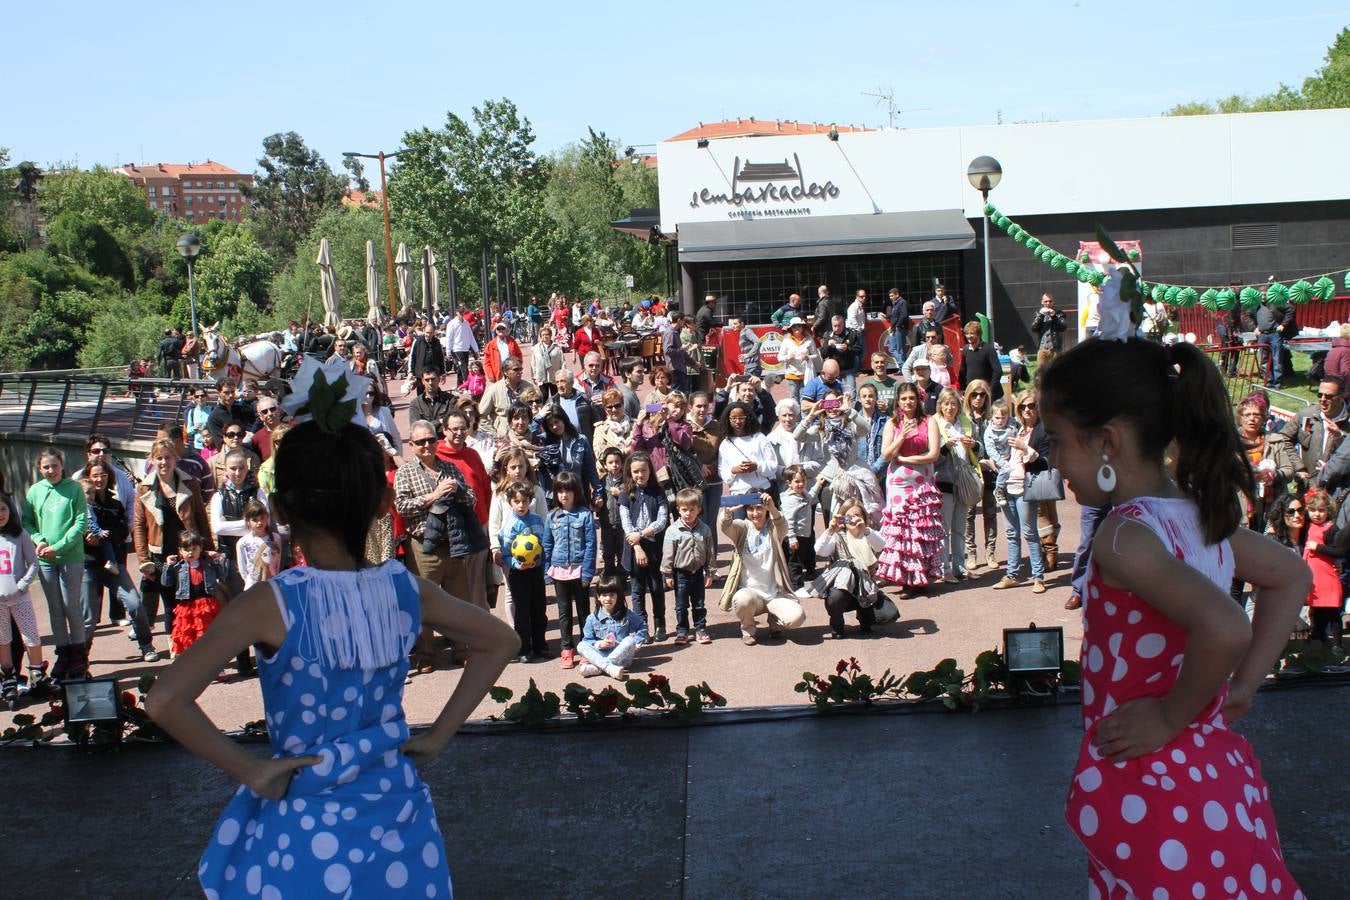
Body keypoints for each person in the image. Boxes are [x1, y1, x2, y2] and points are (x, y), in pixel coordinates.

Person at [147, 410, 518, 899]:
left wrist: (253, 771)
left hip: (305, 822)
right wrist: (438, 735)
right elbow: (501, 641)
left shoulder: (271, 602)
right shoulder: (406, 590)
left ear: (279, 508)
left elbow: (164, 699)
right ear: (384, 503)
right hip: (397, 815)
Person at [1043, 338, 1306, 900]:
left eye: (1059, 443)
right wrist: (1239, 691)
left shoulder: (1124, 536)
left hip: (1154, 782)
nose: (1057, 462)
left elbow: (1227, 626)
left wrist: (1168, 716)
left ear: (1106, 441)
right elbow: (1290, 576)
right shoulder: (1195, 517)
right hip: (1209, 773)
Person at [395, 419, 488, 674]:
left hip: (454, 543)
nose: (427, 445)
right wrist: (433, 496)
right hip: (423, 546)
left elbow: (471, 497)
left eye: (430, 440)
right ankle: (426, 654)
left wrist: (457, 490)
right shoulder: (406, 472)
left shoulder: (450, 467)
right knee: (423, 602)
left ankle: (461, 649)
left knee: (459, 601)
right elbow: (402, 507)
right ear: (411, 446)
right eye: (421, 442)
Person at [81, 460, 159, 661]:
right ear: (87, 478)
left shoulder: (115, 504)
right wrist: (86, 538)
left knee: (134, 604)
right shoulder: (79, 506)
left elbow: (124, 531)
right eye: (95, 475)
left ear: (109, 478)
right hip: (88, 565)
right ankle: (81, 658)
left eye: (103, 475)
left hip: (114, 564)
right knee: (88, 618)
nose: (99, 479)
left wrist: (104, 537)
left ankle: (146, 645)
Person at [23, 449, 90, 680]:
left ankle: (79, 655)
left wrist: (59, 546)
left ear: (62, 465)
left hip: (70, 557)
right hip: (45, 559)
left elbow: (80, 521)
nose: (51, 471)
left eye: (54, 466)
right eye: (46, 467)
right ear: (40, 469)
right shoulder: (35, 491)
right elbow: (28, 521)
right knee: (55, 609)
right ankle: (63, 653)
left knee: (71, 605)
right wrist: (39, 541)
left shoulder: (74, 488)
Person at [875, 382, 945, 595]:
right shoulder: (892, 423)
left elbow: (933, 454)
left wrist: (906, 458)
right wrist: (902, 437)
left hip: (922, 483)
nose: (908, 402)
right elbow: (887, 455)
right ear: (898, 401)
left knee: (920, 529)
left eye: (912, 398)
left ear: (918, 400)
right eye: (904, 398)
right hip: (898, 486)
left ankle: (921, 576)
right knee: (902, 531)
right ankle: (905, 578)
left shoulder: (929, 421)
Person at [718, 492, 805, 645]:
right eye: (750, 509)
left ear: (765, 509)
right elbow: (726, 527)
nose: (755, 513)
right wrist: (726, 513)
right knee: (742, 600)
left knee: (796, 618)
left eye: (759, 508)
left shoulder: (773, 528)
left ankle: (774, 622)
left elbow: (782, 526)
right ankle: (748, 629)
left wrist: (772, 508)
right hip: (751, 593)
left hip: (775, 593)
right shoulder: (742, 527)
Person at [992, 389, 1051, 593]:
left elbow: (1046, 461)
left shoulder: (1043, 431)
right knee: (1011, 533)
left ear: (1038, 408)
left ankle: (1038, 577)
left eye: (1031, 406)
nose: (1027, 410)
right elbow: (1008, 457)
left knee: (1029, 532)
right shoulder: (1017, 428)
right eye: (1023, 406)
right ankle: (1013, 574)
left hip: (1026, 487)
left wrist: (1025, 449)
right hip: (1007, 486)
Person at [543, 470, 597, 667]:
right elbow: (547, 544)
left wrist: (588, 572)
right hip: (559, 571)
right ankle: (567, 648)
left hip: (579, 569)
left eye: (568, 491)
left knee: (584, 611)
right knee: (564, 613)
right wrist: (547, 570)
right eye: (560, 491)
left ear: (576, 492)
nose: (564, 495)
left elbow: (591, 544)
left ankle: (586, 647)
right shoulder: (552, 516)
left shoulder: (585, 515)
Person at [812, 497, 886, 639]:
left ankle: (866, 617)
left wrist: (866, 530)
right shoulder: (837, 536)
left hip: (865, 586)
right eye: (849, 516)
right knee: (835, 598)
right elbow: (820, 551)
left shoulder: (868, 534)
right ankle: (837, 624)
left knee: (886, 616)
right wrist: (829, 531)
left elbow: (881, 545)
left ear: (864, 517)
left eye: (857, 515)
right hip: (842, 586)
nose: (853, 519)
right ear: (842, 518)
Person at [495, 480, 549, 663]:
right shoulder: (510, 526)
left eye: (524, 501)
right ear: (510, 502)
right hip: (518, 574)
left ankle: (540, 645)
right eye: (517, 501)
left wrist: (541, 561)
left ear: (530, 501)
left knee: (539, 608)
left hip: (536, 571)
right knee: (522, 611)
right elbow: (505, 555)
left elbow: (543, 544)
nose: (521, 505)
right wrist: (517, 565)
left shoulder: (536, 520)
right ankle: (524, 648)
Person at [0, 493, 47, 703]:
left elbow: (34, 563)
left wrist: (22, 585)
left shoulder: (20, 535)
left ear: (10, 510)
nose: (0, 514)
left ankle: (38, 674)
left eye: (3, 509)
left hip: (20, 597)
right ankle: (8, 676)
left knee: (30, 635)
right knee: (3, 639)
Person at [619, 451, 669, 642]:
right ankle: (642, 628)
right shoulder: (625, 495)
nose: (640, 475)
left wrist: (641, 534)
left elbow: (662, 520)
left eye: (644, 470)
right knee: (637, 590)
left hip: (654, 546)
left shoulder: (658, 492)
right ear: (630, 473)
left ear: (650, 470)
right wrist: (637, 545)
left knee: (656, 587)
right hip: (634, 549)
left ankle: (660, 624)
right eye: (636, 471)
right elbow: (626, 524)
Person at [159, 530, 229, 659]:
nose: (190, 552)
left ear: (200, 548)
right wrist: (168, 566)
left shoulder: (208, 562)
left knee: (209, 636)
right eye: (186, 549)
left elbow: (222, 574)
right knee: (188, 637)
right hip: (187, 606)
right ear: (180, 550)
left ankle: (215, 666)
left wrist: (219, 559)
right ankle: (194, 666)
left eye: (194, 549)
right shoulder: (178, 566)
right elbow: (166, 582)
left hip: (206, 605)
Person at [660, 488, 715, 645]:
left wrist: (710, 572)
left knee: (699, 603)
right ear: (678, 509)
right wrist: (668, 574)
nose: (688, 513)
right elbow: (668, 554)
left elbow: (710, 552)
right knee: (681, 604)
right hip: (681, 573)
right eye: (684, 510)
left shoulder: (705, 529)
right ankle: (682, 630)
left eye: (692, 509)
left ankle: (700, 628)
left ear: (699, 509)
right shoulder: (673, 530)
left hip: (697, 572)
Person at [934, 388, 975, 582]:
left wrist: (973, 445)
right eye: (946, 403)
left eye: (953, 403)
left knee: (960, 527)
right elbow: (932, 458)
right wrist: (944, 448)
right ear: (940, 405)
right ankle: (945, 569)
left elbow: (980, 451)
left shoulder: (965, 423)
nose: (950, 407)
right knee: (945, 527)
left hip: (964, 479)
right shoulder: (934, 424)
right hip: (944, 480)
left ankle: (960, 566)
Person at [1279, 374, 1347, 482]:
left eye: (1328, 396)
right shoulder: (1307, 415)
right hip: (1309, 486)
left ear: (1342, 396)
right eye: (1319, 395)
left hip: (1339, 489)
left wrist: (1340, 437)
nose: (1322, 400)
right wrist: (1298, 467)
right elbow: (1283, 438)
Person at [962, 380, 1000, 572]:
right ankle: (971, 553)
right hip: (970, 471)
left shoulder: (993, 416)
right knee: (969, 514)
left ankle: (990, 552)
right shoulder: (963, 417)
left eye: (982, 394)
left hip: (991, 470)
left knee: (990, 512)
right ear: (968, 396)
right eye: (974, 394)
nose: (978, 398)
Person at [577, 574, 645, 679]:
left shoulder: (626, 614)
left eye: (612, 595)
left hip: (622, 657)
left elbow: (642, 626)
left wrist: (637, 642)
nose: (608, 598)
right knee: (581, 645)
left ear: (618, 596)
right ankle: (609, 668)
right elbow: (587, 640)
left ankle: (598, 668)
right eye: (604, 595)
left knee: (630, 640)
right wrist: (599, 644)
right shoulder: (592, 618)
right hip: (601, 654)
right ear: (598, 597)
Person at [1301, 489, 1345, 648]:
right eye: (1312, 510)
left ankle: (1337, 646)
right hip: (1314, 579)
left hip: (1327, 577)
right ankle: (1321, 643)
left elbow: (1340, 550)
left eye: (1321, 510)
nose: (1317, 514)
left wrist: (1318, 547)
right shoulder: (1307, 526)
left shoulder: (1331, 529)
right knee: (1317, 613)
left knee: (1333, 613)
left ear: (1328, 510)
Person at [717, 401, 780, 500]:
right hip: (738, 493)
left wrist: (757, 466)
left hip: (763, 491)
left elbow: (773, 465)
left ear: (748, 418)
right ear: (728, 420)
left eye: (741, 418)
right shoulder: (726, 444)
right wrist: (733, 470)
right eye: (733, 418)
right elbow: (722, 471)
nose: (738, 421)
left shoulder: (759, 438)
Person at [778, 464, 824, 589]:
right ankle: (795, 585)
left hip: (805, 534)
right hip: (796, 535)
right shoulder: (790, 500)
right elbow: (788, 520)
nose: (801, 484)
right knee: (795, 562)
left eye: (803, 481)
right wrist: (792, 538)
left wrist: (818, 484)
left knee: (804, 556)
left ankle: (805, 576)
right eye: (797, 481)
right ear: (789, 483)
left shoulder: (803, 494)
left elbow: (811, 497)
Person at [478, 357, 532, 437]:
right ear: (505, 372)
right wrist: (493, 433)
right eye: (516, 369)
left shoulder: (529, 387)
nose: (520, 372)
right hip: (504, 436)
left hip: (527, 434)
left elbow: (538, 408)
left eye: (521, 369)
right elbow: (481, 415)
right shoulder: (494, 390)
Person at [235, 500, 280, 591]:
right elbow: (242, 569)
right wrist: (250, 580)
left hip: (272, 583)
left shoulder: (275, 538)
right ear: (248, 521)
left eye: (262, 518)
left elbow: (278, 563)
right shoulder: (243, 542)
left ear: (267, 518)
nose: (259, 522)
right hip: (253, 586)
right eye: (255, 520)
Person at [958, 321, 1004, 402]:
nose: (968, 336)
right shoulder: (966, 349)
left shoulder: (988, 349)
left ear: (978, 334)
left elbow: (998, 371)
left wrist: (990, 389)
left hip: (990, 395)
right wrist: (962, 389)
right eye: (966, 333)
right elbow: (962, 370)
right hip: (972, 393)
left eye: (971, 333)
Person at [209, 420, 262, 491]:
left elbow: (258, 484)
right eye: (231, 435)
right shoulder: (212, 462)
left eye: (239, 434)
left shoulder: (253, 458)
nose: (236, 437)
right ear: (224, 437)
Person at [591, 388, 636, 468]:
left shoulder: (635, 426)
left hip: (632, 471)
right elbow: (599, 454)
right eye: (609, 407)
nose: (614, 410)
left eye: (617, 405)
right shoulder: (600, 429)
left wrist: (610, 450)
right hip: (610, 475)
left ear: (623, 405)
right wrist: (625, 451)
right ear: (605, 409)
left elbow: (640, 449)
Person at [778, 317, 819, 402]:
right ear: (791, 329)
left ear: (803, 327)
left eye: (799, 326)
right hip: (791, 375)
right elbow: (779, 358)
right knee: (793, 400)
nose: (797, 328)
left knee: (804, 399)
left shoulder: (809, 339)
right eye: (794, 326)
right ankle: (796, 416)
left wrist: (808, 357)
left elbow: (816, 355)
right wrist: (788, 357)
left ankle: (803, 416)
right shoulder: (786, 341)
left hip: (806, 375)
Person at [409, 367, 457, 439]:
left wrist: (427, 425)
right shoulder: (415, 403)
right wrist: (439, 421)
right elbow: (416, 428)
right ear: (422, 381)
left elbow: (453, 424)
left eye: (433, 379)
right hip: (425, 443)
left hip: (445, 441)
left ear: (439, 379)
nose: (430, 383)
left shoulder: (451, 400)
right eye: (427, 380)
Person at [819, 314, 862, 394]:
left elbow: (859, 350)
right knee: (834, 393)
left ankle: (851, 406)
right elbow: (823, 354)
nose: (837, 328)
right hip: (834, 371)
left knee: (851, 394)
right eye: (834, 326)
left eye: (839, 326)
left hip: (848, 369)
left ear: (843, 324)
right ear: (831, 325)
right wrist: (828, 346)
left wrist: (847, 349)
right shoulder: (828, 335)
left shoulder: (851, 334)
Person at [444, 308, 479, 384]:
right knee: (464, 368)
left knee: (461, 368)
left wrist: (476, 349)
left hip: (465, 349)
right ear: (456, 313)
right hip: (456, 349)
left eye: (463, 312)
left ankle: (459, 384)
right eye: (460, 312)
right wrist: (448, 352)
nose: (462, 314)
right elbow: (449, 338)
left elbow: (471, 337)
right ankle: (468, 384)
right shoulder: (452, 324)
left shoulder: (466, 323)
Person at [531, 324, 565, 391]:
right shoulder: (536, 348)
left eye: (547, 334)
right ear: (540, 336)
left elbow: (563, 361)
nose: (545, 336)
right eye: (543, 335)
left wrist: (563, 374)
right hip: (542, 377)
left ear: (550, 335)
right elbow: (533, 363)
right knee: (543, 397)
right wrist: (534, 376)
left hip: (555, 377)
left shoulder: (557, 347)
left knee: (556, 397)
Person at [885, 287, 908, 364]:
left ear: (897, 294)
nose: (890, 298)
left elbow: (904, 315)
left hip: (900, 329)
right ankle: (902, 364)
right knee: (891, 348)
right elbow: (895, 316)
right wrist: (886, 316)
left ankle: (903, 367)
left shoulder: (902, 302)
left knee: (900, 349)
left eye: (892, 296)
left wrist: (898, 325)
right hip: (894, 329)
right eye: (890, 296)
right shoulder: (895, 303)